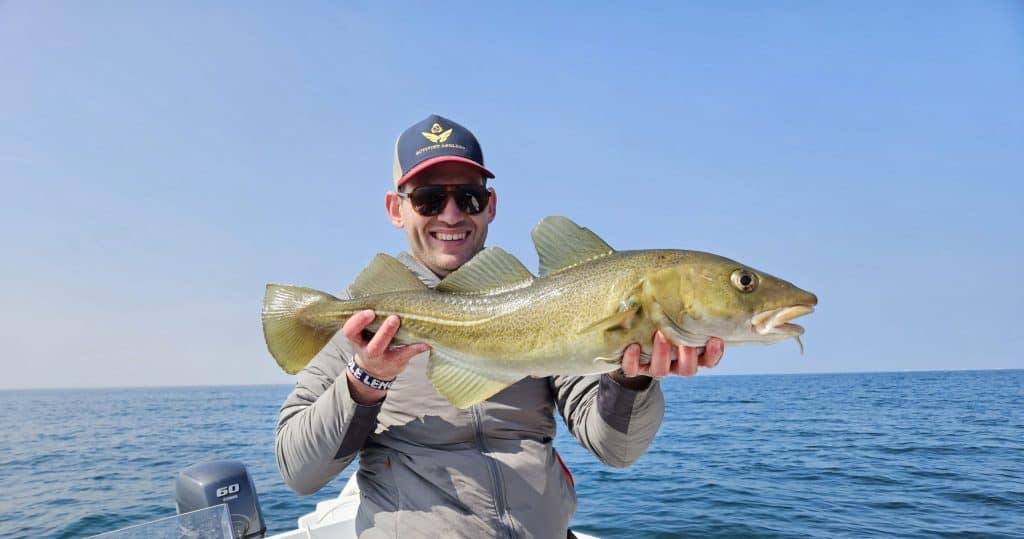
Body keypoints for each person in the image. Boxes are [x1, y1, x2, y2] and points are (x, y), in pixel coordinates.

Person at [275, 114, 725, 538]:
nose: (450, 215)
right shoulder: (362, 327)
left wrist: (631, 379)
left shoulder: (547, 308)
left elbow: (617, 450)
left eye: (468, 198)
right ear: (397, 209)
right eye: (429, 199)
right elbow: (298, 470)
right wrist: (365, 380)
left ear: (490, 206)